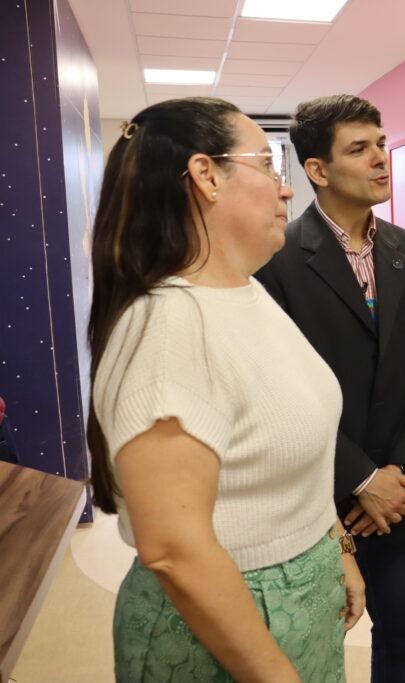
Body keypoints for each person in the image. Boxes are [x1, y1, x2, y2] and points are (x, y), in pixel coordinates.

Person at [87, 97, 365, 682]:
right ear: (206, 176)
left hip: (300, 588)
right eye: (267, 164)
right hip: (220, 626)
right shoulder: (169, 326)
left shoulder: (245, 292)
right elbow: (175, 550)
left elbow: (297, 453)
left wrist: (335, 547)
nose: (285, 189)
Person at [255, 94, 405, 683]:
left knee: (404, 637)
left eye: (381, 144)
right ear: (318, 169)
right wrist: (363, 479)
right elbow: (277, 389)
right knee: (314, 642)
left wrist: (401, 474)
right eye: (359, 148)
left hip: (404, 495)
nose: (380, 158)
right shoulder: (278, 259)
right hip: (315, 496)